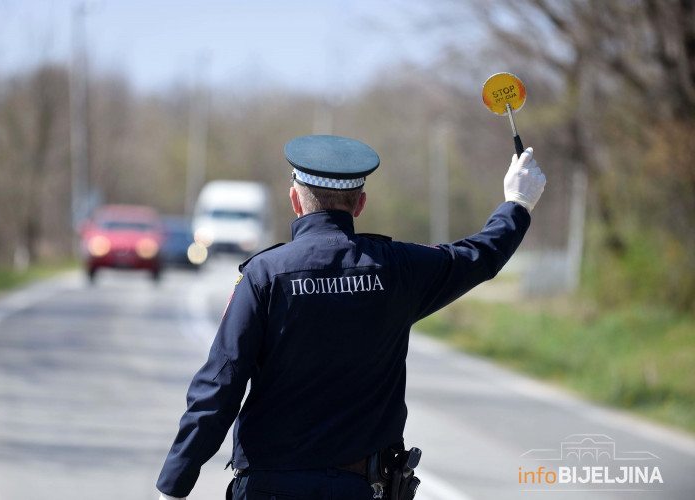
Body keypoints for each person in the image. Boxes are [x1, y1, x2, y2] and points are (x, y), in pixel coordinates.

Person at [157, 134, 546, 499]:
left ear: (295, 199)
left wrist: (174, 483)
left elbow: (219, 386)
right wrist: (517, 204)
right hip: (362, 488)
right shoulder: (398, 269)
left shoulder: (264, 275)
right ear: (360, 204)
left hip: (269, 486)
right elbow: (479, 256)